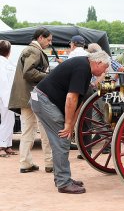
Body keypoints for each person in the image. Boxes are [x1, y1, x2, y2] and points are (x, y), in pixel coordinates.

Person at [31, 51, 110, 194]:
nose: (106, 70)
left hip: (43, 99)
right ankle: (63, 182)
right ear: (97, 62)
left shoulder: (85, 68)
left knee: (62, 138)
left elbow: (79, 102)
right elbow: (71, 98)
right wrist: (67, 125)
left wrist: (72, 124)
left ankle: (62, 178)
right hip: (44, 100)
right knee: (62, 139)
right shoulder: (82, 68)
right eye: (105, 67)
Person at [8, 27, 53, 173]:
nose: (49, 43)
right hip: (33, 95)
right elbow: (29, 72)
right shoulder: (34, 50)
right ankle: (49, 162)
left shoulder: (31, 50)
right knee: (45, 128)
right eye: (48, 39)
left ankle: (25, 163)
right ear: (40, 38)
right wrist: (48, 76)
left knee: (28, 130)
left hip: (27, 96)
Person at [0, 40, 17, 158]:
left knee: (10, 121)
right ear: (9, 51)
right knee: (6, 121)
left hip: (8, 96)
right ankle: (2, 146)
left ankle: (8, 145)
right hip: (4, 97)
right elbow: (3, 83)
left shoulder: (8, 63)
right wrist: (7, 100)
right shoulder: (3, 63)